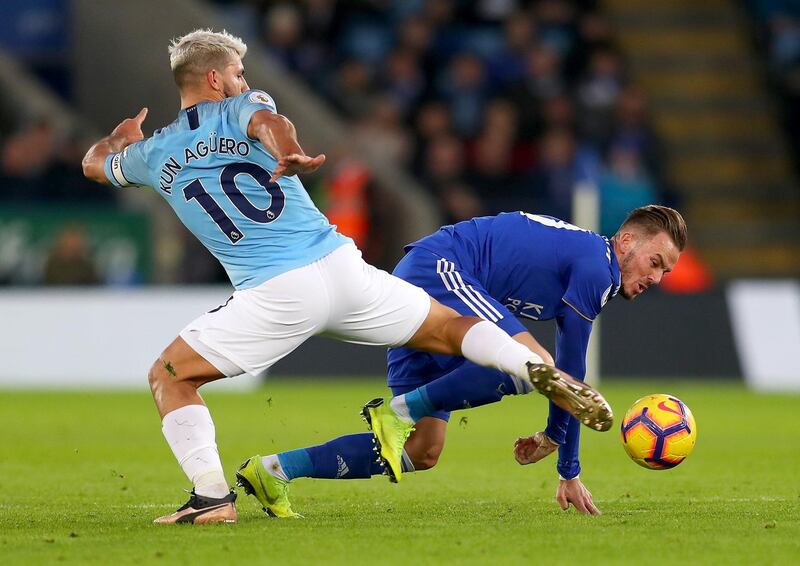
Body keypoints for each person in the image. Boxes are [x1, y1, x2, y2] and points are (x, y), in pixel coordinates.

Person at [80, 29, 612, 525]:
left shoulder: (152, 155)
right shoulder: (245, 107)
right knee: (450, 327)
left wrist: (117, 141)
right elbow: (268, 122)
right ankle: (532, 363)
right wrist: (286, 149)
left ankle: (212, 497)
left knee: (169, 376)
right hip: (343, 267)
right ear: (216, 80)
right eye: (239, 74)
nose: (245, 82)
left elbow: (93, 165)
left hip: (277, 293)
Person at [238, 205, 686, 517]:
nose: (657, 277)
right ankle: (396, 412)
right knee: (531, 362)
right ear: (626, 241)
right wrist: (565, 462)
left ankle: (274, 470)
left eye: (664, 271)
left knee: (422, 451)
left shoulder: (595, 270)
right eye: (655, 262)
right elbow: (567, 375)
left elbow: (568, 379)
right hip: (443, 270)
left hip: (443, 299)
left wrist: (556, 440)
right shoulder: (596, 264)